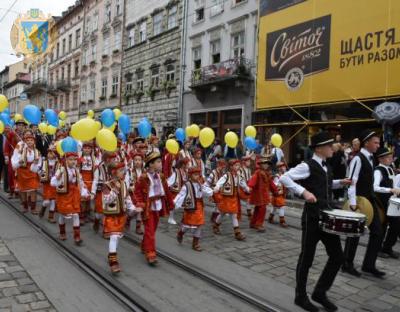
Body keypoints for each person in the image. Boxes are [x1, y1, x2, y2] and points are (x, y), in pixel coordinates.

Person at [280, 131, 351, 312]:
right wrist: (303, 192)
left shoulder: (326, 166)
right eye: (329, 146)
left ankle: (320, 292)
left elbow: (323, 184)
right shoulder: (307, 165)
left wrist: (339, 183)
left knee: (338, 256)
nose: (333, 149)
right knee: (307, 258)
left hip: (327, 217)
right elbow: (284, 177)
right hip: (312, 218)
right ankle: (300, 296)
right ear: (319, 149)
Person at [343, 130, 385, 278]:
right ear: (366, 142)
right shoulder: (358, 159)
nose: (378, 145)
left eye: (379, 143)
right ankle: (347, 264)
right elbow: (351, 182)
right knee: (355, 232)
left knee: (378, 232)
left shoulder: (371, 158)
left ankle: (368, 265)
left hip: (370, 200)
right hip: (359, 201)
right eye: (376, 142)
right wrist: (353, 204)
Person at [134, 152, 174, 265]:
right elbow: (137, 193)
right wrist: (140, 204)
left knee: (152, 229)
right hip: (147, 207)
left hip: (158, 206)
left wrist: (170, 203)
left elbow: (166, 191)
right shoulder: (143, 178)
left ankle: (144, 245)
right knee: (150, 230)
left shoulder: (161, 176)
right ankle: (151, 254)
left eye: (160, 161)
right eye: (158, 162)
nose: (161, 164)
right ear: (150, 164)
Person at [102, 161, 138, 273]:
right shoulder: (107, 185)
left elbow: (127, 198)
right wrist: (115, 190)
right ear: (114, 172)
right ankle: (113, 262)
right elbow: (106, 200)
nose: (124, 172)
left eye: (123, 170)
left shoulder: (123, 183)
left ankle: (112, 255)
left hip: (121, 215)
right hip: (111, 216)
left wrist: (132, 207)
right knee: (113, 237)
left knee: (117, 237)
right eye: (121, 170)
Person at [51, 152, 89, 245]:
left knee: (76, 214)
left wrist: (85, 192)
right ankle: (62, 232)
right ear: (66, 160)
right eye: (70, 160)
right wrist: (58, 178)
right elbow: (52, 182)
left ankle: (77, 236)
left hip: (74, 195)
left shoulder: (76, 170)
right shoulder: (61, 169)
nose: (73, 161)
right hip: (64, 195)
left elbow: (80, 182)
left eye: (74, 160)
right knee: (62, 215)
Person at [174, 167, 213, 251]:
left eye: (198, 175)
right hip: (191, 207)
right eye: (195, 175)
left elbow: (204, 190)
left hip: (199, 207)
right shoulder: (187, 185)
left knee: (199, 224)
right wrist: (175, 203)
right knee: (188, 224)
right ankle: (181, 232)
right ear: (190, 175)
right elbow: (181, 195)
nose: (197, 176)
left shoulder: (199, 184)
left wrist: (211, 192)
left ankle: (195, 243)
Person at [373, 147, 400, 259]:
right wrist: (389, 190)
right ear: (381, 159)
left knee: (396, 225)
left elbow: (393, 184)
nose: (391, 159)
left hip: (390, 202)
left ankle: (387, 247)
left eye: (390, 157)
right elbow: (374, 187)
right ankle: (379, 249)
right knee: (382, 227)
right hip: (381, 203)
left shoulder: (390, 169)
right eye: (388, 157)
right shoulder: (378, 170)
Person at [213, 159, 250, 241]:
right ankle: (216, 225)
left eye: (238, 165)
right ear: (231, 167)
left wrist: (247, 188)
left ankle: (237, 233)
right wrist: (217, 187)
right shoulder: (227, 175)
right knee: (222, 213)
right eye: (236, 165)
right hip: (226, 198)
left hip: (233, 199)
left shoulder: (239, 176)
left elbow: (242, 183)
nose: (238, 167)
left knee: (233, 215)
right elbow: (220, 182)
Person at [11, 130, 41, 214]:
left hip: (32, 171)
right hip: (22, 170)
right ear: (24, 136)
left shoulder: (35, 148)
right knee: (23, 189)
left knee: (33, 189)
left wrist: (37, 164)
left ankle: (33, 208)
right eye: (26, 136)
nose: (29, 139)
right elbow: (15, 156)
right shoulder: (19, 145)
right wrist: (17, 162)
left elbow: (39, 159)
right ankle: (25, 206)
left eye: (30, 136)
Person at [247, 157, 278, 232]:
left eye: (267, 164)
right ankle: (259, 224)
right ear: (261, 164)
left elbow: (271, 183)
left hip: (264, 194)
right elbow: (253, 180)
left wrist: (275, 190)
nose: (266, 165)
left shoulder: (267, 173)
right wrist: (250, 187)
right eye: (264, 163)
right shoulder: (257, 172)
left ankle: (253, 223)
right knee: (262, 209)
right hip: (258, 194)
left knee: (258, 209)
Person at [38, 145, 58, 223]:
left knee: (53, 200)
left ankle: (51, 216)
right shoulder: (44, 161)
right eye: (49, 152)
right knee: (47, 201)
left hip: (54, 184)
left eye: (52, 153)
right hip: (46, 184)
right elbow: (38, 169)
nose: (50, 154)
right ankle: (43, 208)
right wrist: (41, 173)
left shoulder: (58, 163)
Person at [167, 157, 190, 225]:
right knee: (173, 205)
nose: (189, 165)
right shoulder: (176, 172)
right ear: (183, 165)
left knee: (187, 204)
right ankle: (170, 218)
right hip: (175, 191)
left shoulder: (186, 172)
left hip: (183, 192)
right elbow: (170, 181)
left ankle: (184, 219)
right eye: (187, 164)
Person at [128, 151, 145, 234]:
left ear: (142, 161)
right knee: (134, 210)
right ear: (133, 161)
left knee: (140, 209)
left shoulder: (144, 172)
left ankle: (138, 226)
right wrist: (129, 187)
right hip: (132, 194)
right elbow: (126, 182)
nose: (137, 162)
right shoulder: (129, 171)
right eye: (136, 160)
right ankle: (129, 217)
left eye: (139, 160)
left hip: (141, 194)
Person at [79, 142, 96, 225]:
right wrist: (81, 181)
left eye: (89, 148)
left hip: (91, 180)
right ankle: (81, 216)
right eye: (85, 148)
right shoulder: (80, 159)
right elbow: (78, 171)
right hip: (83, 180)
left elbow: (95, 171)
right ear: (82, 149)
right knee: (82, 199)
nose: (87, 150)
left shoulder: (93, 159)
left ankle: (86, 214)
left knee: (88, 198)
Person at [207, 158, 227, 223]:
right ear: (218, 165)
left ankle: (215, 216)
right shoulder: (213, 173)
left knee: (218, 205)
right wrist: (210, 193)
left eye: (224, 167)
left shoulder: (223, 173)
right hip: (214, 191)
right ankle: (214, 217)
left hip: (220, 191)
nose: (223, 168)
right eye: (222, 167)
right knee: (218, 205)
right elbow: (208, 183)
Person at [269, 161, 289, 227]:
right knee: (281, 206)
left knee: (274, 207)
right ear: (279, 168)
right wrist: (278, 190)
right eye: (283, 167)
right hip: (278, 194)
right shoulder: (277, 176)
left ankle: (270, 217)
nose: (285, 168)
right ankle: (282, 221)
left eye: (285, 167)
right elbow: (275, 185)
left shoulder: (284, 175)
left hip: (281, 194)